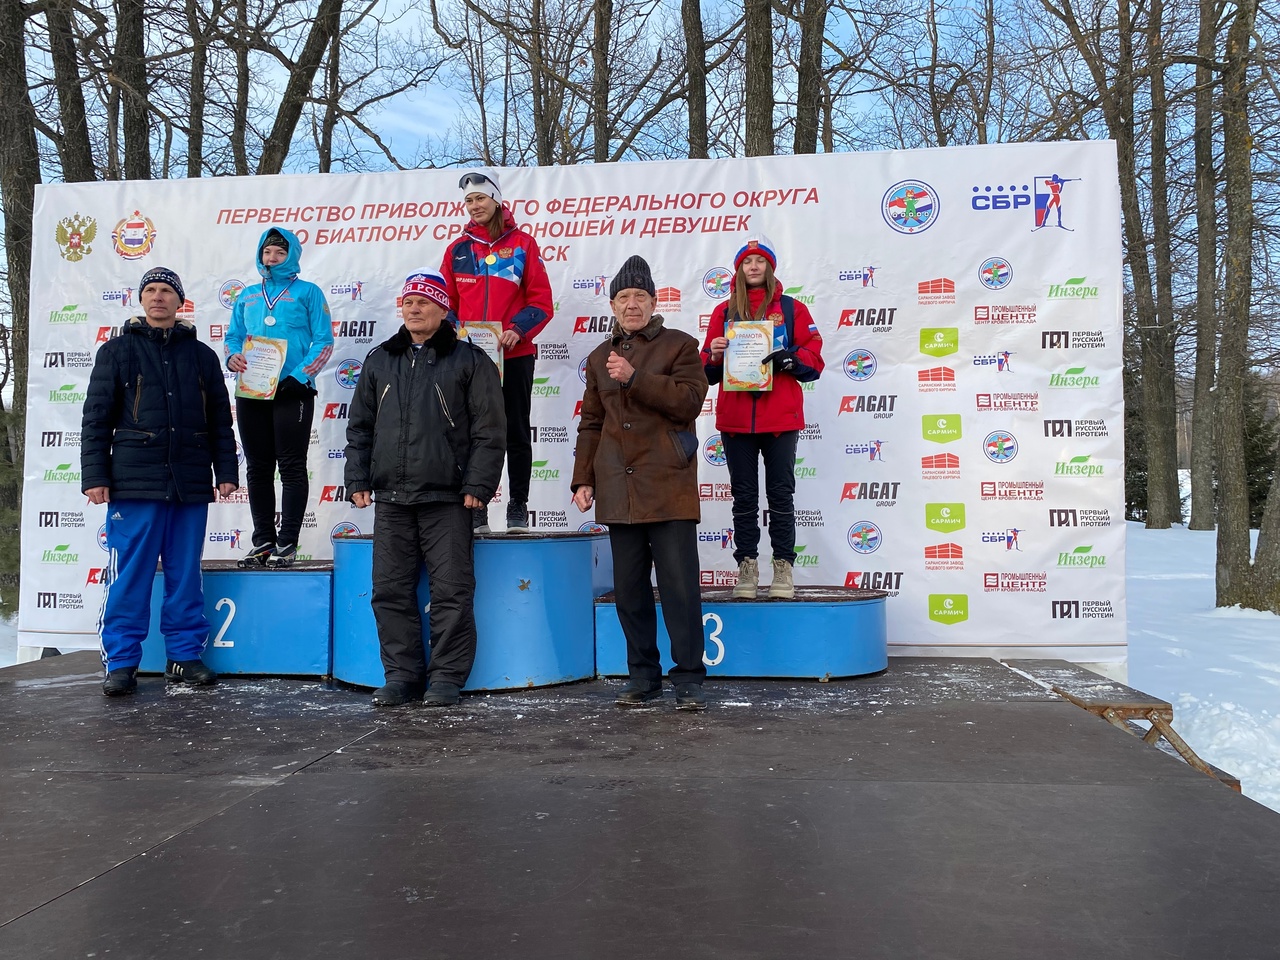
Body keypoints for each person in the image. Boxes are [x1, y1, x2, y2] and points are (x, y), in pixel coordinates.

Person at [344, 272, 506, 708]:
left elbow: (490, 431)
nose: (414, 308)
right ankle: (401, 677)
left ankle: (446, 679)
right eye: (408, 301)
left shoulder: (470, 360)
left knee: (451, 592)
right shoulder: (380, 359)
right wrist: (357, 478)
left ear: (443, 309)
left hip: (448, 499)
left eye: (424, 302)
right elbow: (359, 427)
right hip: (392, 500)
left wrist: (479, 484)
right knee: (389, 591)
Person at [81, 267, 239, 696]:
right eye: (150, 290)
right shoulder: (117, 352)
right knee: (130, 576)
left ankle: (185, 657)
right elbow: (95, 419)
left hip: (189, 482)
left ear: (179, 301)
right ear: (141, 299)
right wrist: (95, 475)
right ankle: (122, 663)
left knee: (185, 575)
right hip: (134, 483)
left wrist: (226, 471)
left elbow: (220, 422)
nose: (158, 297)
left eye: (166, 291)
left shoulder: (202, 356)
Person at [571, 256, 710, 711]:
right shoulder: (597, 357)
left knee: (680, 590)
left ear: (654, 301)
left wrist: (636, 379)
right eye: (624, 297)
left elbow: (689, 403)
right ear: (612, 304)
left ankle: (688, 679)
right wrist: (583, 479)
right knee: (629, 592)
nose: (632, 305)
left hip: (667, 484)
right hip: (616, 488)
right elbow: (591, 422)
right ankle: (642, 677)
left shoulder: (681, 346)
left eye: (640, 297)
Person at [700, 234, 824, 600]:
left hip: (780, 418)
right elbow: (705, 370)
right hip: (736, 419)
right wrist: (716, 354)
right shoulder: (723, 312)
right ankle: (747, 567)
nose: (753, 267)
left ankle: (783, 567)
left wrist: (792, 359)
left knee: (781, 496)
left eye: (760, 261)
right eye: (746, 262)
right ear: (738, 270)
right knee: (744, 497)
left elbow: (814, 357)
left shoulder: (791, 308)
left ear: (770, 267)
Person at [440, 169, 554, 533]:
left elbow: (542, 301)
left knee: (516, 431)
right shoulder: (457, 250)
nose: (474, 206)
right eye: (469, 201)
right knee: (473, 432)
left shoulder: (523, 244)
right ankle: (476, 507)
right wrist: (455, 329)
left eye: (480, 199)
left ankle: (518, 505)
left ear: (497, 200)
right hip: (470, 358)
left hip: (515, 355)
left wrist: (517, 330)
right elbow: (445, 302)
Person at [225, 227, 333, 568]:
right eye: (267, 253)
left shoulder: (308, 293)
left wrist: (301, 376)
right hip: (253, 389)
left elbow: (324, 340)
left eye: (279, 253)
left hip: (292, 390)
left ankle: (287, 542)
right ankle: (263, 542)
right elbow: (233, 337)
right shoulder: (247, 296)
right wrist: (232, 357)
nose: (272, 259)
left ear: (293, 256)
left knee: (290, 466)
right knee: (257, 468)